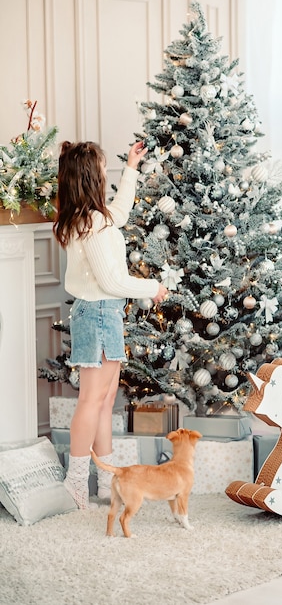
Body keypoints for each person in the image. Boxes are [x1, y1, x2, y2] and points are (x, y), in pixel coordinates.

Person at [53, 140, 168, 509]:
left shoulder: (84, 218)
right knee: (92, 401)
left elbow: (119, 211)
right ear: (91, 177)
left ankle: (105, 481)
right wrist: (153, 288)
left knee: (103, 403)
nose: (106, 173)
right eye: (103, 169)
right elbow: (113, 283)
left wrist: (131, 166)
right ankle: (76, 483)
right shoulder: (94, 225)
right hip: (101, 312)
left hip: (102, 314)